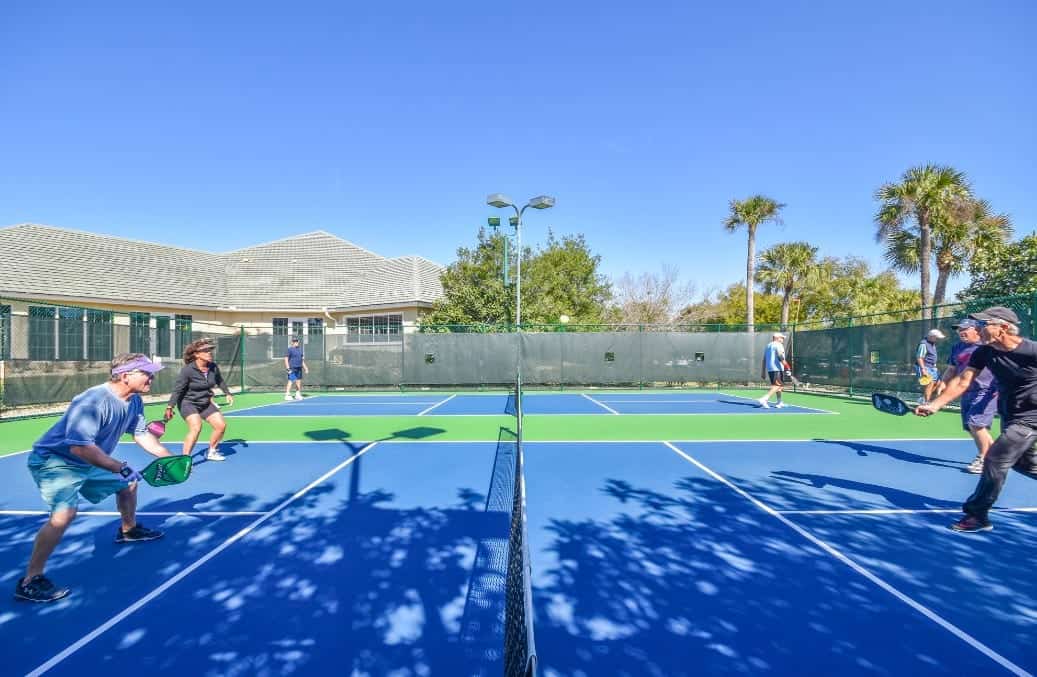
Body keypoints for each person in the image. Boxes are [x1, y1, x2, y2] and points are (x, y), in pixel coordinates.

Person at [15, 353, 172, 603]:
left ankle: (129, 530)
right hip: (55, 461)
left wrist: (170, 459)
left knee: (128, 483)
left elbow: (141, 434)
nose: (152, 377)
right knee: (64, 514)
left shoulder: (134, 401)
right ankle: (30, 581)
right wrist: (119, 467)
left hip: (86, 461)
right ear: (125, 376)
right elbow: (79, 447)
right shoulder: (92, 401)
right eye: (146, 373)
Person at [916, 306, 1037, 533]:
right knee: (1025, 464)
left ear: (1002, 327)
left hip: (1031, 417)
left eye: (983, 325)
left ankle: (977, 515)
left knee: (994, 459)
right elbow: (963, 381)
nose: (977, 329)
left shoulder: (1031, 351)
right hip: (1010, 414)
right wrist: (935, 404)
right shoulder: (983, 353)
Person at [938, 319, 999, 474]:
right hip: (966, 391)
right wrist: (943, 383)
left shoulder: (987, 346)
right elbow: (952, 369)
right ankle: (997, 456)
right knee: (971, 426)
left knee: (975, 424)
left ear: (976, 329)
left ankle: (984, 459)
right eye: (959, 330)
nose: (961, 332)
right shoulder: (957, 347)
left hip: (987, 390)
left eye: (965, 329)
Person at [166, 338, 234, 462]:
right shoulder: (188, 370)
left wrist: (227, 393)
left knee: (221, 425)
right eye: (206, 351)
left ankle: (211, 452)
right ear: (197, 354)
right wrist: (170, 406)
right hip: (188, 403)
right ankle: (185, 460)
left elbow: (219, 380)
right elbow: (178, 389)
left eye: (210, 350)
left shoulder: (213, 367)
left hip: (205, 402)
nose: (209, 352)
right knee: (196, 427)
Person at [758, 332, 790, 409]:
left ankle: (779, 402)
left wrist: (763, 372)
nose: (783, 339)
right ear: (777, 338)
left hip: (771, 369)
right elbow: (780, 357)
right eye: (782, 338)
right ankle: (764, 399)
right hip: (777, 369)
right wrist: (787, 367)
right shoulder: (778, 345)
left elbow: (764, 359)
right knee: (777, 385)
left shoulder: (768, 345)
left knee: (779, 386)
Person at [915, 329, 946, 404]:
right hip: (924, 367)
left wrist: (934, 367)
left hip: (932, 367)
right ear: (932, 336)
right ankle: (926, 402)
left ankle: (924, 399)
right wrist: (923, 369)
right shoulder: (923, 344)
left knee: (937, 383)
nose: (938, 339)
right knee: (929, 383)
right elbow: (919, 358)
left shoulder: (932, 343)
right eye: (937, 337)